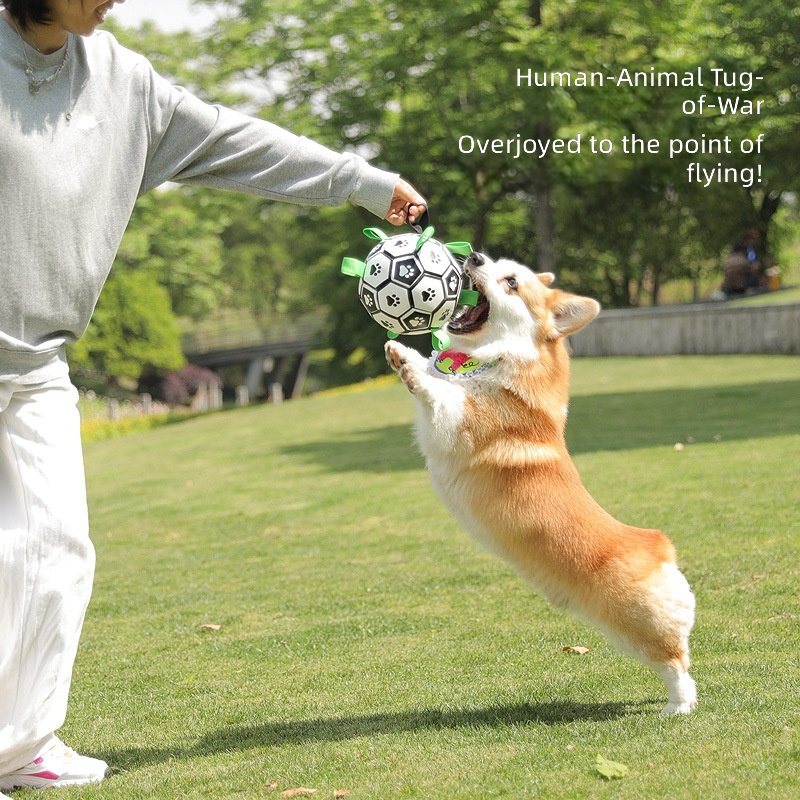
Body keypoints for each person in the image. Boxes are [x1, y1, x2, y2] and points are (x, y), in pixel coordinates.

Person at [0, 0, 426, 793]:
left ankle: (19, 745)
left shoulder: (123, 83)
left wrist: (361, 182)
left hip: (37, 365)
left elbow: (234, 140)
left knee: (58, 553)